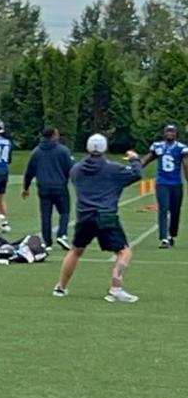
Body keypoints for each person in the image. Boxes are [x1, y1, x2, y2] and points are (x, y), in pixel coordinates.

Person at [53, 134, 142, 303]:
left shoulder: (77, 169)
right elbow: (137, 174)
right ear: (105, 148)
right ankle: (116, 288)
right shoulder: (113, 169)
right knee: (124, 251)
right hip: (105, 214)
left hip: (84, 215)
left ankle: (61, 287)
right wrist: (134, 159)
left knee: (75, 251)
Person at [22, 126, 74, 250]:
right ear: (53, 135)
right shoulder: (63, 151)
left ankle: (47, 241)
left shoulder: (36, 152)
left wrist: (26, 187)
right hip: (59, 186)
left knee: (45, 214)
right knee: (65, 211)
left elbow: (30, 171)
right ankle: (62, 234)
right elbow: (70, 168)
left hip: (43, 187)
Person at [141, 124, 188, 248]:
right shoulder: (158, 146)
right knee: (163, 209)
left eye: (172, 131)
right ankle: (164, 238)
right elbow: (147, 159)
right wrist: (135, 168)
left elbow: (186, 165)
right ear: (163, 133)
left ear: (176, 134)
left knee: (175, 211)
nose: (170, 133)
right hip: (162, 182)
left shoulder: (181, 148)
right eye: (167, 131)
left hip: (176, 183)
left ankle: (171, 234)